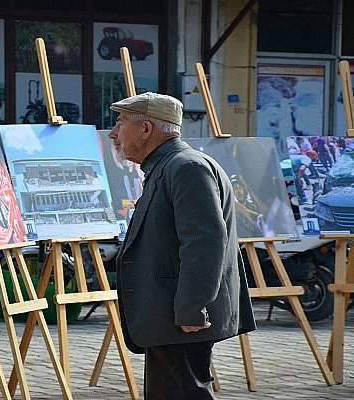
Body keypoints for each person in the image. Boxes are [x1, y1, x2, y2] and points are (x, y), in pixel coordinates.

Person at [107, 92, 256, 399]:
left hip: (179, 317)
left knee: (183, 393)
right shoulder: (168, 166)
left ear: (146, 129)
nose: (113, 133)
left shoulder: (185, 167)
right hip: (169, 314)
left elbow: (204, 242)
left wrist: (191, 308)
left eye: (120, 123)